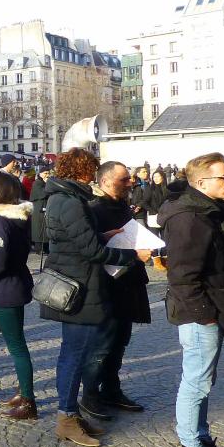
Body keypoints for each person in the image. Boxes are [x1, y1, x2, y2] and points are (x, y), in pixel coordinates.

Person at [42, 148, 148, 447]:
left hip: (78, 281)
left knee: (74, 353)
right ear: (84, 171)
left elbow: (76, 241)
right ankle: (66, 416)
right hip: (79, 287)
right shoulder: (70, 201)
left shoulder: (65, 198)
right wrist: (132, 255)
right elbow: (92, 253)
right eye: (92, 169)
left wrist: (103, 235)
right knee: (75, 356)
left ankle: (72, 414)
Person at [159, 152, 224, 447]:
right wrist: (206, 316)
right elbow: (183, 277)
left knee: (203, 383)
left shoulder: (204, 212)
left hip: (208, 311)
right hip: (199, 315)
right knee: (196, 383)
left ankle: (203, 443)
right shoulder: (190, 218)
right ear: (202, 182)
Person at [81, 161, 151, 419]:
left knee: (120, 342)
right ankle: (89, 395)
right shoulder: (93, 209)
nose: (130, 182)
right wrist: (131, 254)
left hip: (128, 281)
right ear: (106, 181)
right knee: (101, 345)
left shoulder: (122, 206)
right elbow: (93, 250)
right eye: (124, 179)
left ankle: (111, 389)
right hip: (106, 285)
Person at [0, 171, 36, 420]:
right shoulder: (17, 216)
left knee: (17, 346)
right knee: (16, 344)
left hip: (6, 288)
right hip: (15, 284)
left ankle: (28, 402)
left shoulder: (1, 218)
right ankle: (23, 391)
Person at [29, 168, 50, 253]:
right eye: (45, 173)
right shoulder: (37, 183)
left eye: (48, 173)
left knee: (44, 227)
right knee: (39, 228)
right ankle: (39, 248)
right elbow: (43, 194)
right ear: (40, 174)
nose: (47, 175)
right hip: (39, 208)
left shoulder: (43, 183)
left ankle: (45, 247)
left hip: (44, 207)